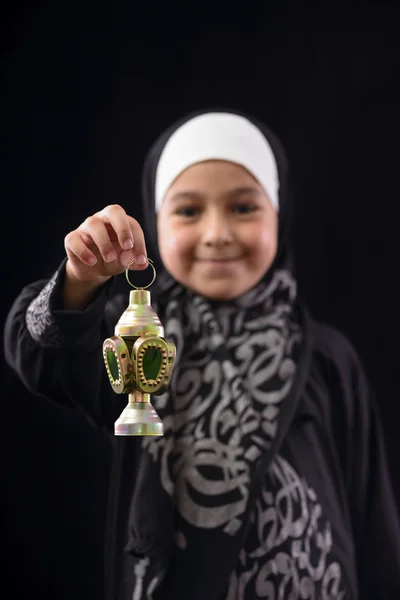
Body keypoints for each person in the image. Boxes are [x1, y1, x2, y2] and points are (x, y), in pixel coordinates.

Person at [4, 109, 400, 600]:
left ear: (280, 213)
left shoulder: (326, 356)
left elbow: (372, 517)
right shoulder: (134, 331)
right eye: (189, 211)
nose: (217, 233)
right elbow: (41, 357)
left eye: (244, 208)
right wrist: (80, 280)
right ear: (154, 219)